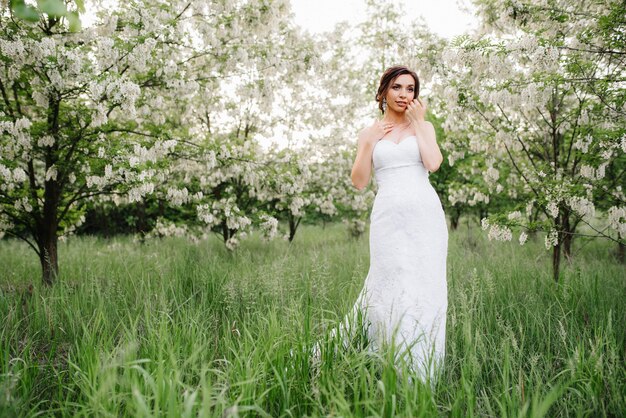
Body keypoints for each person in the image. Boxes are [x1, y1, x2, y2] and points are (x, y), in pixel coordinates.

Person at [317, 65, 448, 385]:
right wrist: (368, 143)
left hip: (425, 217)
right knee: (387, 284)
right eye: (398, 88)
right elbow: (360, 182)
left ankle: (421, 368)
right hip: (389, 218)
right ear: (383, 93)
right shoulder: (370, 132)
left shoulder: (424, 127)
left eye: (411, 89)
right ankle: (384, 358)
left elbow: (433, 163)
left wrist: (419, 124)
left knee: (423, 286)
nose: (405, 95)